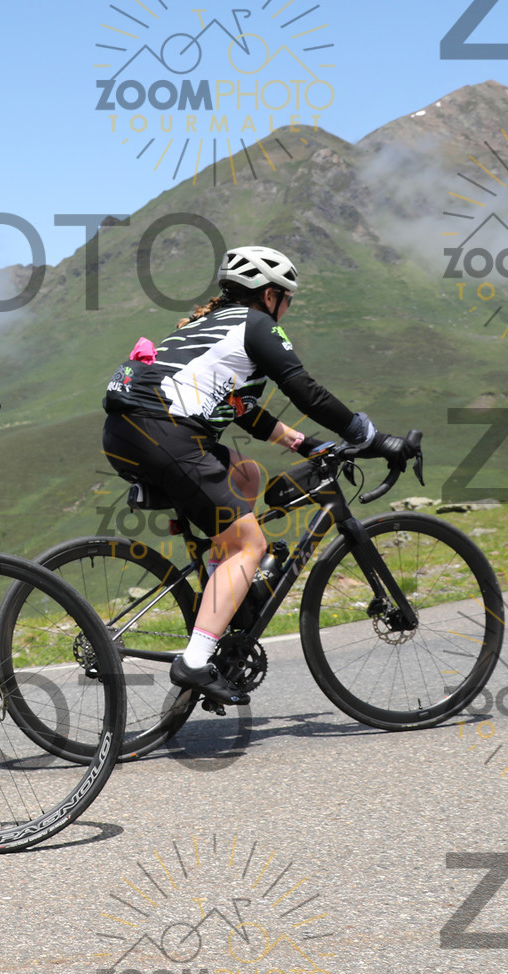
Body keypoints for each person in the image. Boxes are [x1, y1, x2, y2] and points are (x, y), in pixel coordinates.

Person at [100, 246, 406, 704]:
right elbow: (305, 390)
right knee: (250, 545)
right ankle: (195, 661)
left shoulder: (205, 326)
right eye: (287, 299)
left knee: (243, 476)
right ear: (269, 295)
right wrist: (368, 436)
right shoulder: (257, 324)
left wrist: (304, 443)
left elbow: (240, 408)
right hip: (167, 434)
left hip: (126, 434)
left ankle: (221, 599)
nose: (287, 308)